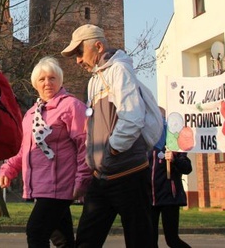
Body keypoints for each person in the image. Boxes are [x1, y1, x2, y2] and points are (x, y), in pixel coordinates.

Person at [61, 24, 162, 248]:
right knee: (86, 241)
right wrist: (93, 162)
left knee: (140, 241)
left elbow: (132, 117)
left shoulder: (119, 70)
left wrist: (112, 151)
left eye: (80, 52)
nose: (77, 60)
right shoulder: (94, 81)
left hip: (129, 173)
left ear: (98, 46)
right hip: (103, 176)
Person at [0, 56, 90, 248]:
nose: (47, 83)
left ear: (60, 80)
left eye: (52, 78)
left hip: (60, 183)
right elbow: (25, 149)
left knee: (36, 231)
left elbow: (85, 144)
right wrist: (9, 168)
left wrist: (82, 179)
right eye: (42, 79)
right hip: (41, 185)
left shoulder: (71, 106)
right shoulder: (31, 113)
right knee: (62, 239)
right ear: (35, 84)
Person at [149, 108, 192, 248]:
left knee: (172, 239)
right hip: (150, 198)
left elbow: (187, 168)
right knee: (149, 239)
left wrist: (174, 159)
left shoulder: (175, 143)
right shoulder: (147, 143)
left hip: (169, 197)